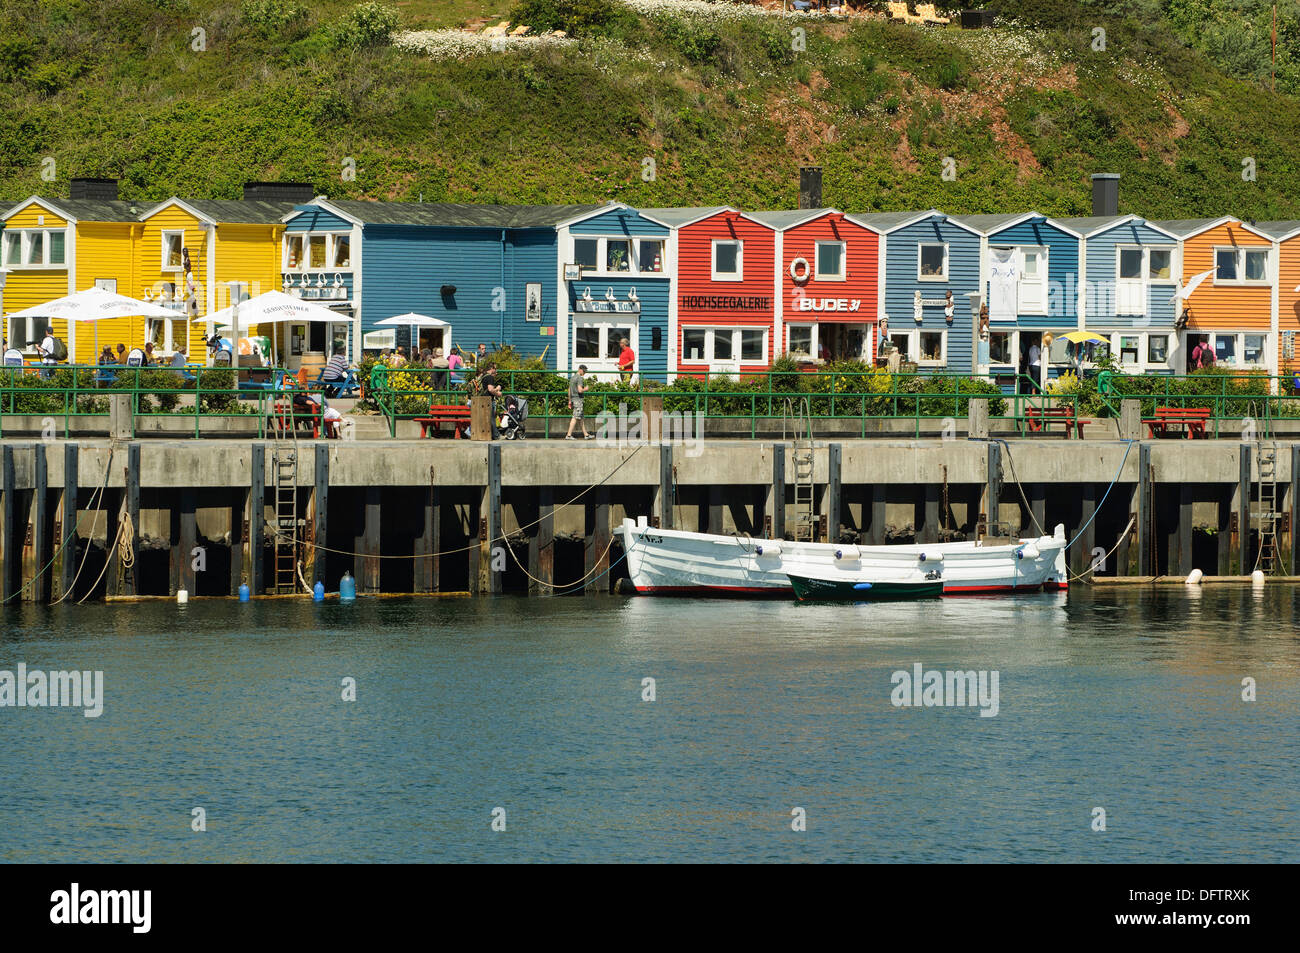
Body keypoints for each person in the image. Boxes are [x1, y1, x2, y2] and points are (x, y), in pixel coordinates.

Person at [565, 365, 595, 440]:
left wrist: (569, 400)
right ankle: (568, 435)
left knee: (581, 418)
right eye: (584, 371)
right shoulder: (579, 378)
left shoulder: (572, 378)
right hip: (578, 400)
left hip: (573, 399)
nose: (585, 373)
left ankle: (586, 435)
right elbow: (580, 390)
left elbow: (569, 390)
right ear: (580, 370)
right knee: (575, 417)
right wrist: (586, 389)